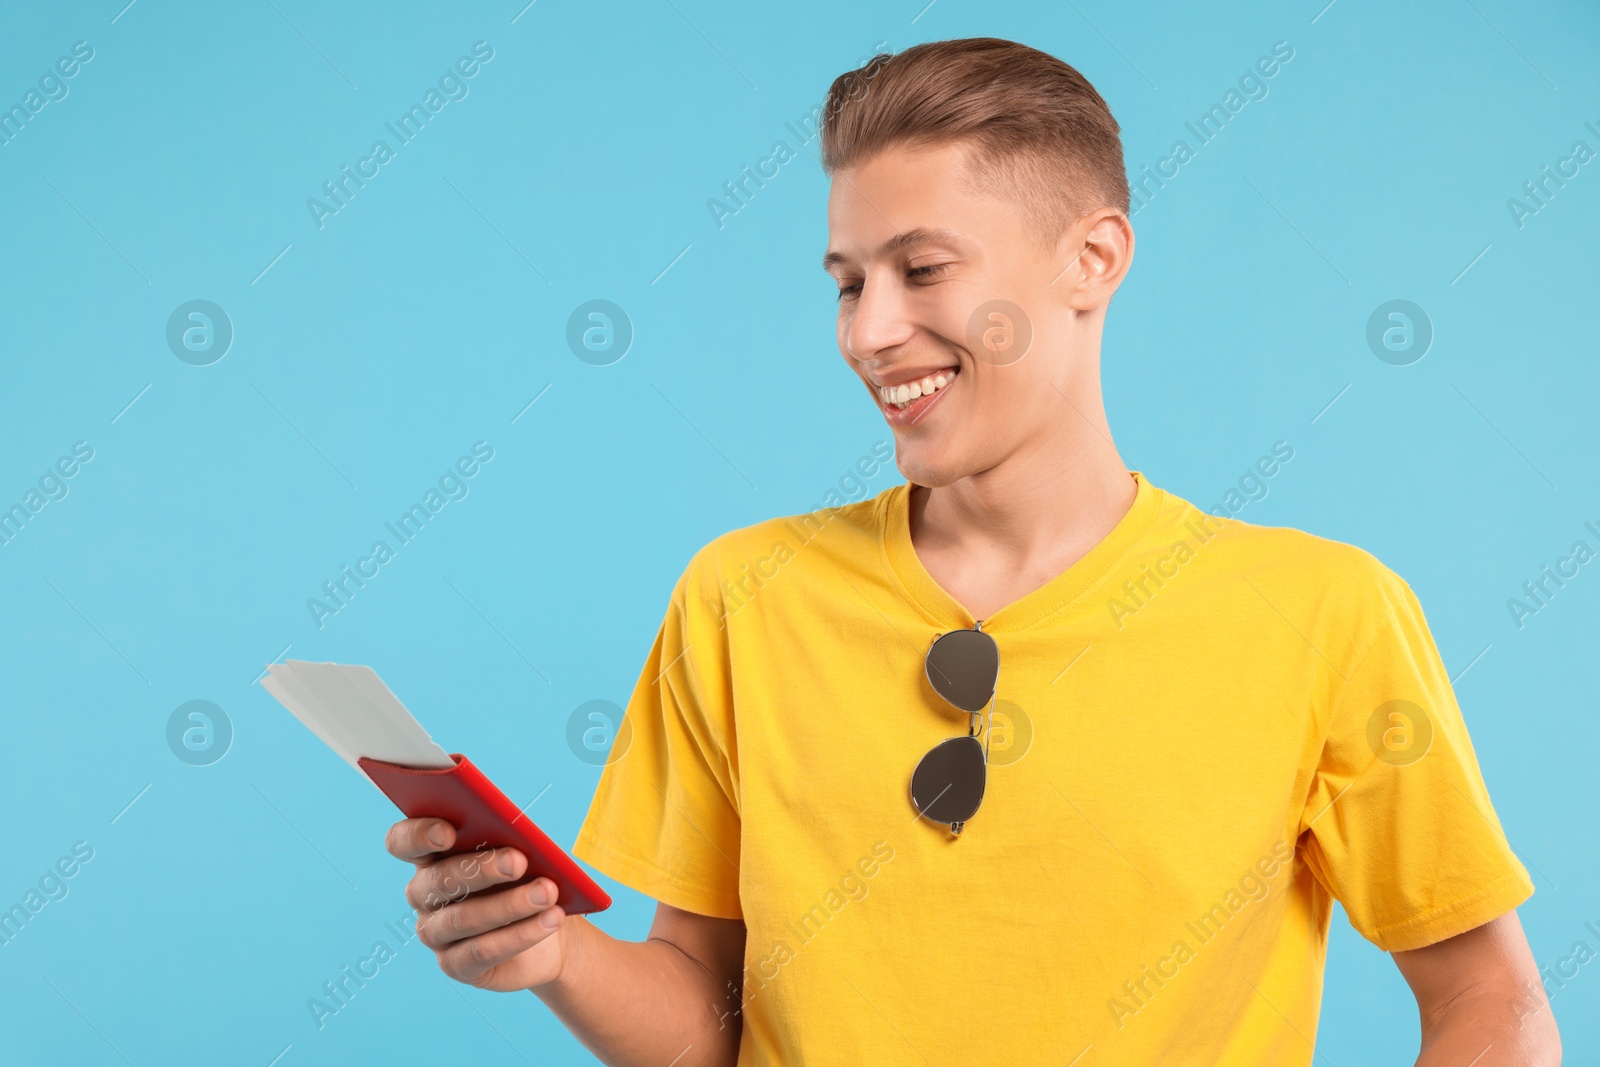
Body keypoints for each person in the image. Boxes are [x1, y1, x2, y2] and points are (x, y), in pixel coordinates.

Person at [383, 37, 1560, 1065]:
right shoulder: (743, 596)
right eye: (847, 283)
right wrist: (554, 953)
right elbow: (703, 1019)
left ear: (1091, 260)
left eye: (922, 268)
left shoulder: (1323, 613)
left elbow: (1494, 1004)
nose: (869, 331)